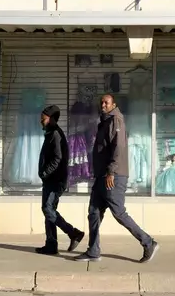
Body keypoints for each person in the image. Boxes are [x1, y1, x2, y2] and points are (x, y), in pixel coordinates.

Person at [74, 94, 159, 263]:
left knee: (119, 212)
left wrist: (111, 171)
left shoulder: (116, 120)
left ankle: (148, 242)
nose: (103, 105)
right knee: (94, 213)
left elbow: (118, 147)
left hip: (113, 176)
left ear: (114, 104)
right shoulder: (105, 121)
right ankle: (93, 251)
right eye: (102, 102)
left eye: (106, 102)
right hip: (102, 176)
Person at [37, 105, 85, 255]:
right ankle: (51, 244)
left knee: (47, 208)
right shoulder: (51, 133)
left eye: (43, 119)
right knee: (49, 210)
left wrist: (45, 172)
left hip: (55, 180)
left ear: (50, 119)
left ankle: (73, 233)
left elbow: (58, 157)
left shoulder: (55, 134)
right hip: (51, 180)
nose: (41, 121)